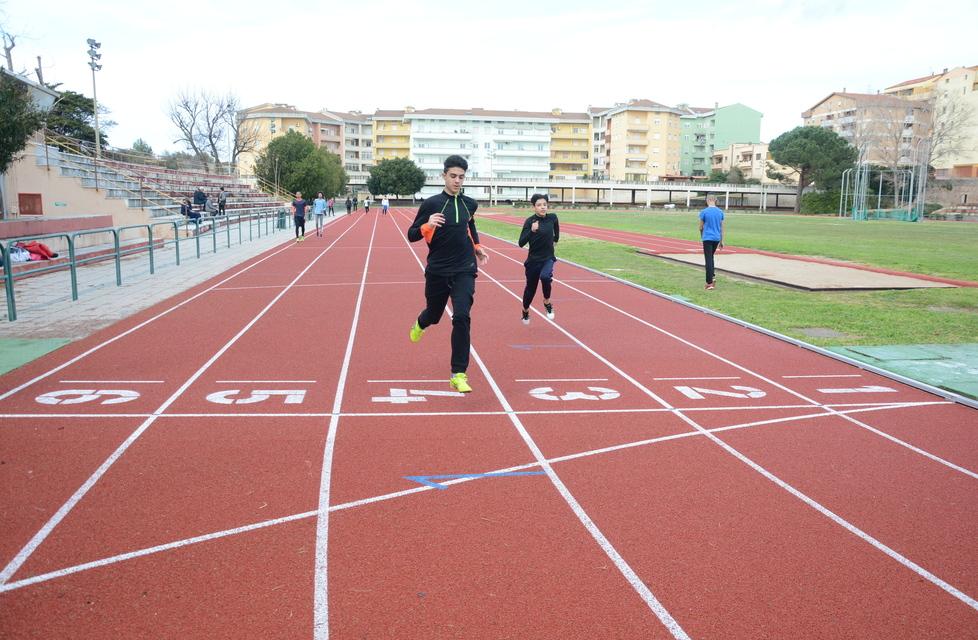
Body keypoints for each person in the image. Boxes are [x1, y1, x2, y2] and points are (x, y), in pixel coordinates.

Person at [407, 155, 489, 393]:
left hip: (464, 269)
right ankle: (421, 323)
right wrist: (427, 224)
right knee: (434, 314)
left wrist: (477, 247)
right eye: (453, 176)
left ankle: (458, 373)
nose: (457, 181)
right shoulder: (432, 204)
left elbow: (470, 226)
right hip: (438, 270)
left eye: (461, 177)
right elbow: (411, 235)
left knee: (462, 317)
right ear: (443, 176)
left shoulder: (469, 204)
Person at [518, 193, 559, 324]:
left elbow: (556, 227)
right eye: (539, 205)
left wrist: (555, 239)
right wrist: (532, 231)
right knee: (531, 290)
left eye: (545, 205)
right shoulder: (530, 221)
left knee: (546, 277)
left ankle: (547, 302)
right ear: (534, 207)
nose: (543, 207)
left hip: (548, 258)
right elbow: (521, 242)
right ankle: (525, 310)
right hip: (533, 261)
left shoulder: (552, 218)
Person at [699, 194, 724, 290]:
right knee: (711, 257)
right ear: (715, 200)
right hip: (716, 238)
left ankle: (709, 282)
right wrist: (721, 241)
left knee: (708, 259)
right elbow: (721, 228)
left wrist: (702, 237)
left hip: (707, 238)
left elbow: (700, 227)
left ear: (707, 200)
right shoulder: (720, 212)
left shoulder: (704, 212)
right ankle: (712, 276)